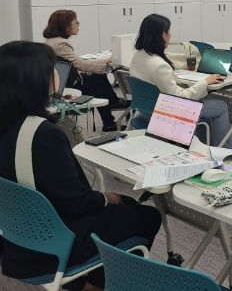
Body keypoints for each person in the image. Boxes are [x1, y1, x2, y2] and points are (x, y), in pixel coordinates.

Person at [0, 41, 160, 291]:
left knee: (122, 207)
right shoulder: (42, 134)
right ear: (35, 79)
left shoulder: (10, 123)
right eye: (51, 68)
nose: (57, 73)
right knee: (144, 214)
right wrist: (107, 197)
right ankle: (98, 284)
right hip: (54, 242)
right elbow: (75, 202)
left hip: (18, 236)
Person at [129, 14, 232, 148]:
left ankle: (203, 146)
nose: (170, 35)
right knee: (220, 106)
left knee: (206, 108)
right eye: (167, 31)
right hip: (164, 115)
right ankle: (225, 150)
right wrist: (205, 82)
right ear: (160, 35)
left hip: (145, 111)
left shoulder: (139, 55)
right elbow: (180, 98)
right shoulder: (159, 65)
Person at [43, 9, 128, 131]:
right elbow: (79, 64)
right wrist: (106, 60)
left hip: (61, 83)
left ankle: (110, 120)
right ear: (65, 26)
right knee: (97, 79)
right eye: (76, 23)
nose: (78, 25)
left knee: (96, 78)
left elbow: (71, 64)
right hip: (66, 87)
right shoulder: (61, 44)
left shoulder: (52, 41)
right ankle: (112, 109)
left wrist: (81, 70)